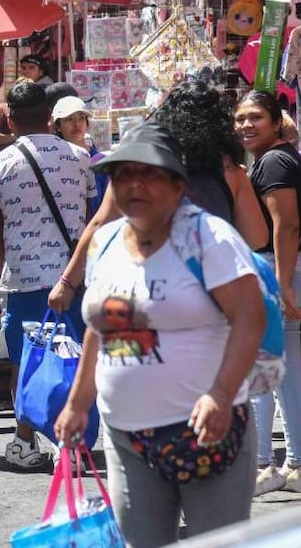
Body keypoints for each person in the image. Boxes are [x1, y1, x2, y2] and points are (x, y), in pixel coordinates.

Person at [55, 123, 264, 546]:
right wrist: (78, 403)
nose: (133, 185)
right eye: (122, 175)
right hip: (127, 437)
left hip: (209, 434)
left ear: (177, 185)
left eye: (147, 174)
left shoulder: (208, 239)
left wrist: (221, 395)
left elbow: (249, 317)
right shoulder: (106, 241)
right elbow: (105, 327)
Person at [50, 81, 269, 313]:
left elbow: (98, 224)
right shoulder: (231, 171)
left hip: (147, 290)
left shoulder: (136, 167)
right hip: (213, 295)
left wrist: (67, 283)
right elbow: (256, 237)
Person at [0, 81, 96, 469]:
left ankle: (25, 442)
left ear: (10, 118)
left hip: (23, 280)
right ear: (50, 116)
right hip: (75, 279)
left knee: (27, 362)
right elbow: (93, 223)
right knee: (75, 358)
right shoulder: (81, 158)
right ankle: (74, 445)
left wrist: (3, 276)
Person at [234, 91, 301, 495]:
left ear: (276, 122)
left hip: (283, 272)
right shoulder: (276, 157)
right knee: (285, 374)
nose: (245, 125)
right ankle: (290, 463)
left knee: (270, 371)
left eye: (255, 117)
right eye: (240, 118)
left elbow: (286, 226)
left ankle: (268, 465)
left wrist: (281, 283)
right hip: (284, 272)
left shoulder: (275, 161)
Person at [51, 95, 107, 215]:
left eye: (81, 118)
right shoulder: (53, 163)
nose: (76, 124)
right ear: (58, 126)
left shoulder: (101, 162)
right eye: (69, 119)